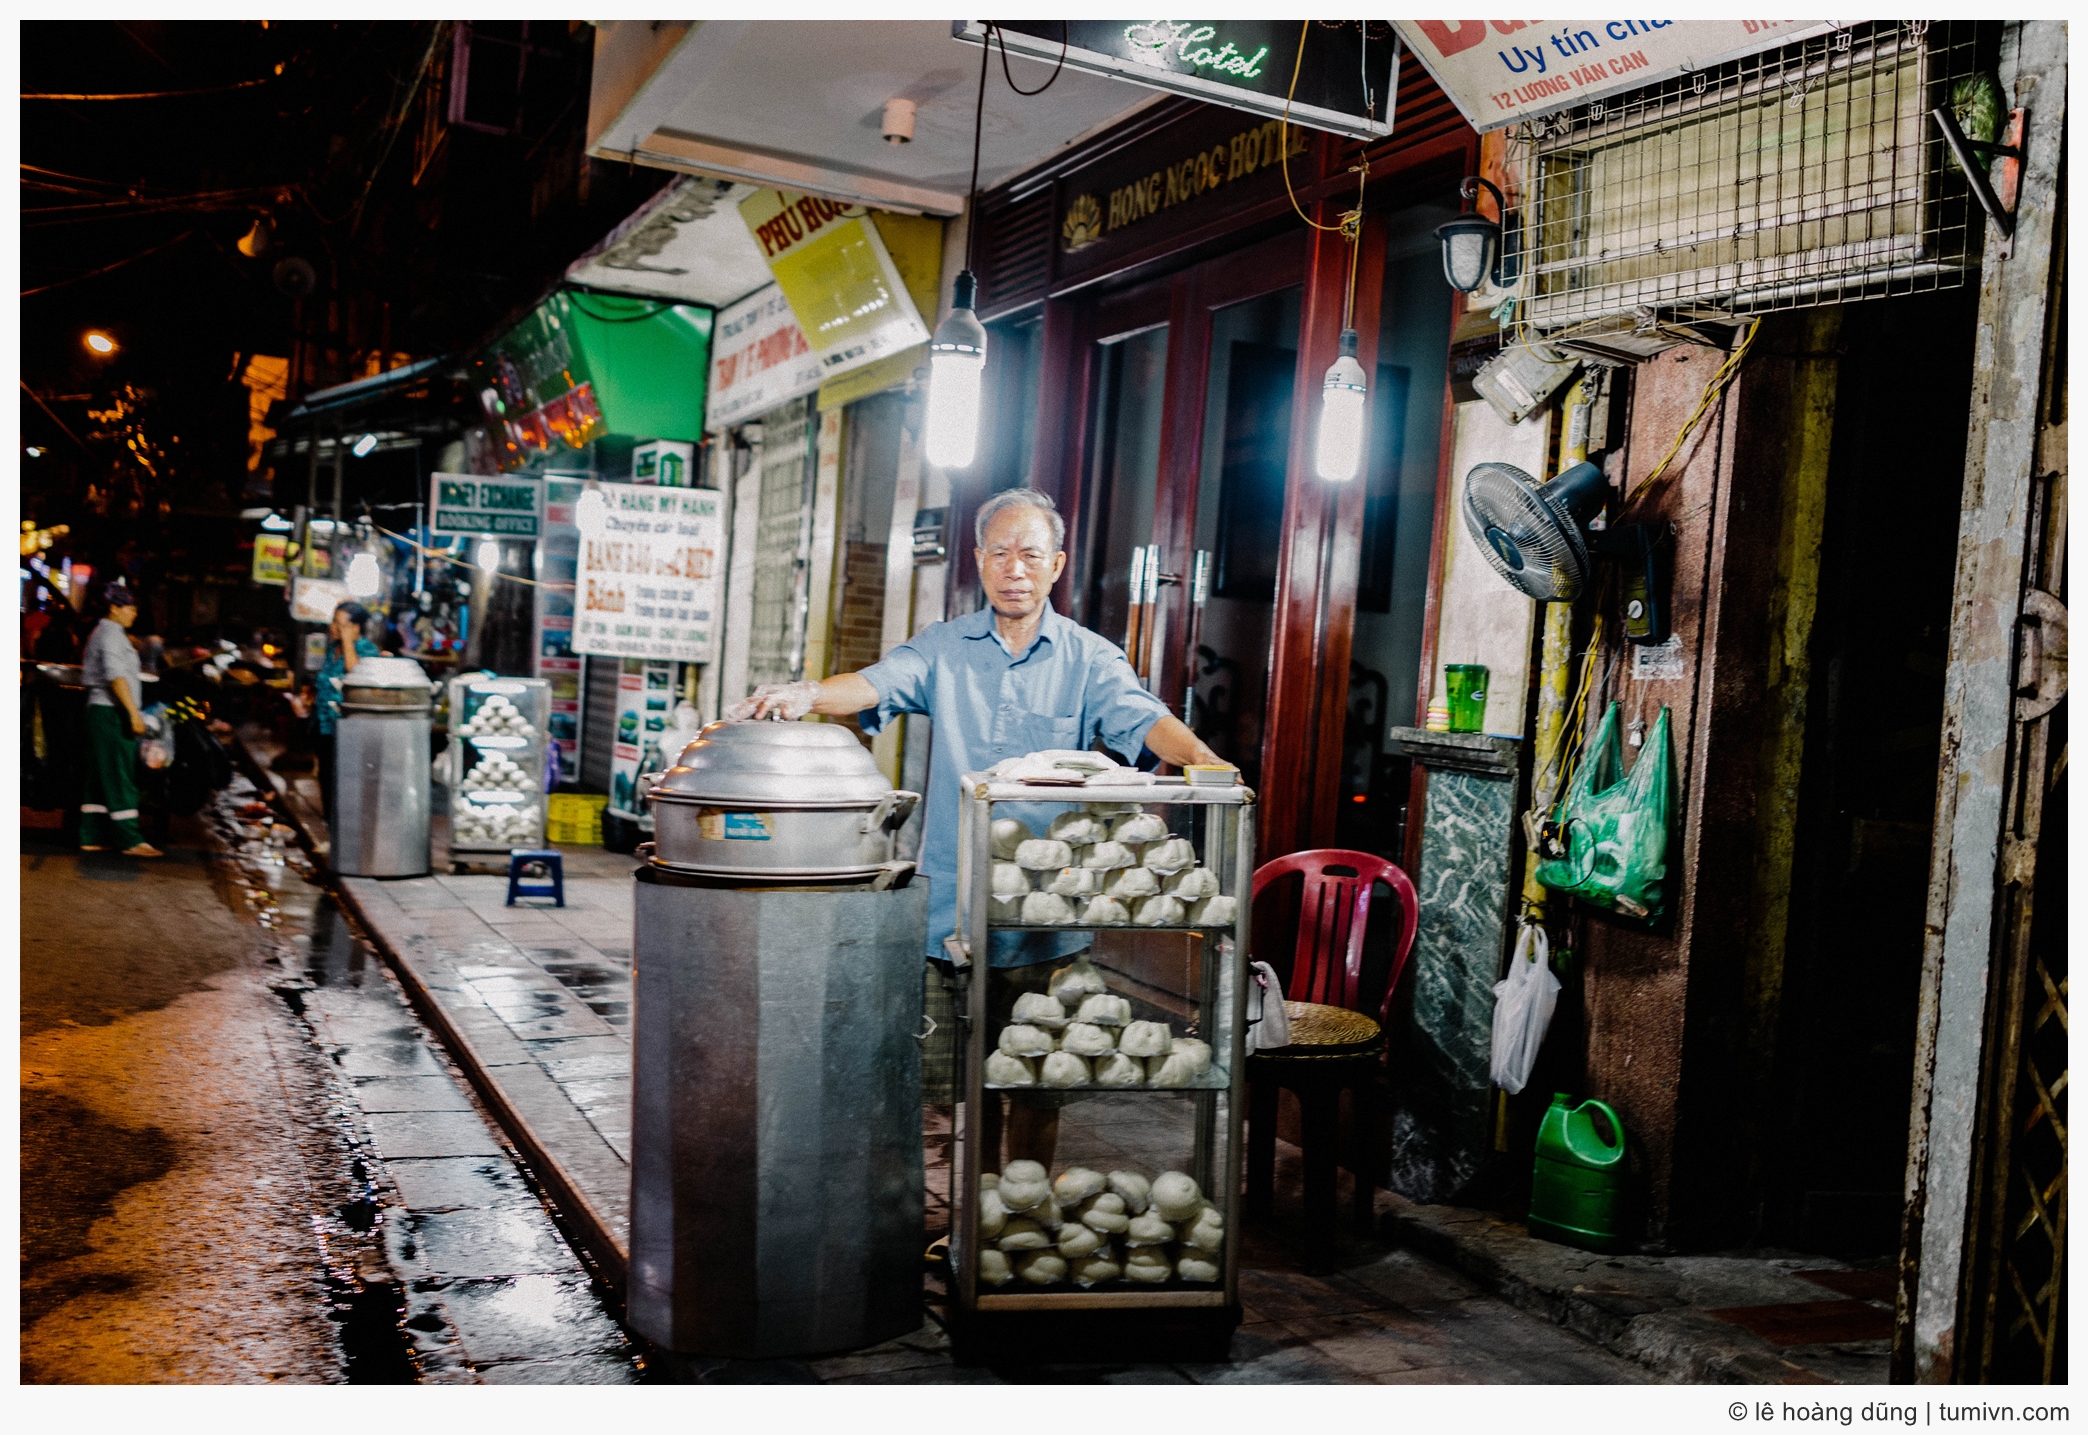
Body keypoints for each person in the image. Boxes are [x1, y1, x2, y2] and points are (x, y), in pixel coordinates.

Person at [731, 488, 1224, 1170]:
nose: (1013, 568)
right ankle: (961, 1217)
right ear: (978, 560)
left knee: (1034, 1084)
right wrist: (806, 693)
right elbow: (877, 682)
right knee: (937, 1086)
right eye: (999, 552)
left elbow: (1141, 718)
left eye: (1029, 554)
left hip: (1046, 922)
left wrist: (1198, 755)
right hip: (950, 914)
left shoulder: (1088, 659)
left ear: (1056, 565)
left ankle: (1008, 1220)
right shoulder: (943, 648)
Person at [77, 582, 161, 857]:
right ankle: (130, 840)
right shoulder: (111, 634)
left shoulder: (105, 632)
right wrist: (133, 713)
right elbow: (116, 676)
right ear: (114, 608)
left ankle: (90, 834)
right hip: (111, 712)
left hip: (101, 712)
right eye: (130, 608)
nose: (134, 613)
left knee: (99, 777)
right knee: (119, 774)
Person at [305, 601, 380, 837]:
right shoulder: (333, 649)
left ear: (356, 627)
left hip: (348, 728)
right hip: (325, 724)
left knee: (344, 780)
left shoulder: (367, 650)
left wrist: (348, 641)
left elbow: (356, 674)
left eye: (340, 623)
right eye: (333, 622)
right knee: (326, 776)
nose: (333, 627)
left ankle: (345, 831)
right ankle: (331, 827)